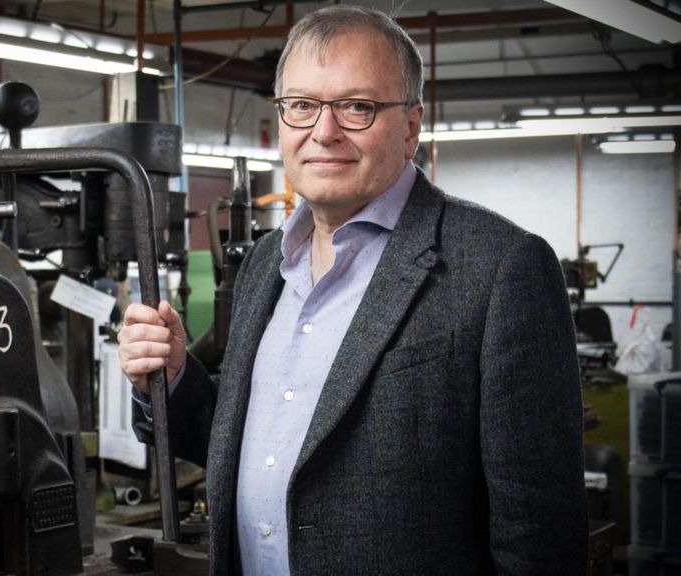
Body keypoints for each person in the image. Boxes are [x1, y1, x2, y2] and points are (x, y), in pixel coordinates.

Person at [118, 5, 587, 575]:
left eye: (357, 106)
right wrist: (172, 380)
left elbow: (539, 532)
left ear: (411, 126)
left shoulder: (499, 267)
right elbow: (241, 444)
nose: (324, 131)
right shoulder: (267, 263)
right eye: (302, 106)